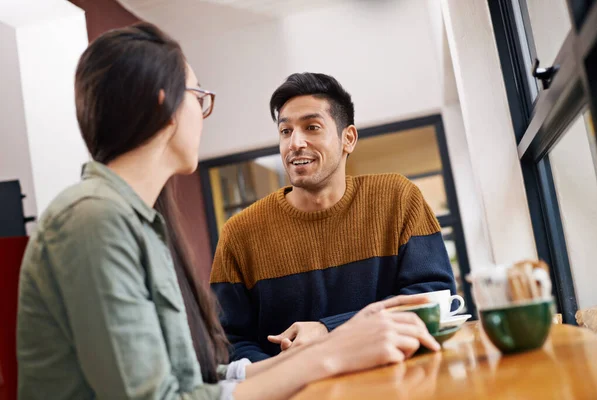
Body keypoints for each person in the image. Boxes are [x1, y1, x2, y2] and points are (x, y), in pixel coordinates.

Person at [16, 23, 440, 400]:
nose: (203, 115)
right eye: (198, 97)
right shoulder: (95, 222)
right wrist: (330, 355)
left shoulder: (134, 223)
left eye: (311, 127)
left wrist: (335, 339)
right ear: (164, 107)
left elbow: (197, 377)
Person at [210, 72, 457, 362]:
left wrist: (330, 330)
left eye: (312, 127)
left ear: (348, 138)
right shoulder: (239, 233)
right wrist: (293, 370)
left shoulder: (398, 198)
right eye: (286, 131)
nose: (295, 143)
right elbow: (226, 342)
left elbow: (434, 299)